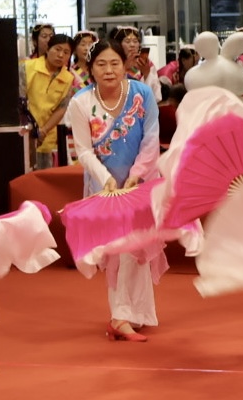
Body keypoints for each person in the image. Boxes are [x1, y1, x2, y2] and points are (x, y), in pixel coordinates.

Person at [64, 38, 162, 342]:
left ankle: (138, 313)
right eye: (101, 64)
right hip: (103, 187)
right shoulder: (81, 102)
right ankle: (120, 315)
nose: (109, 70)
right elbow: (83, 150)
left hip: (141, 183)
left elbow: (151, 139)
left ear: (125, 65)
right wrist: (106, 178)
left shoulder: (142, 93)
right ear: (90, 68)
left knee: (139, 248)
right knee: (119, 250)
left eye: (115, 63)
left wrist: (137, 174)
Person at [24, 33, 75, 169]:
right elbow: (19, 99)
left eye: (66, 52)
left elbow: (61, 108)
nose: (61, 55)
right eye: (57, 49)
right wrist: (31, 128)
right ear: (48, 49)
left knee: (45, 175)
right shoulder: (27, 67)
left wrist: (44, 131)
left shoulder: (68, 78)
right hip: (25, 133)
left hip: (48, 138)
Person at [110, 26, 162, 104]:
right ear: (119, 44)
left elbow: (156, 95)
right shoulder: (113, 63)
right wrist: (124, 68)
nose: (132, 45)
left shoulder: (146, 63)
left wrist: (146, 74)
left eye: (135, 41)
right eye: (127, 41)